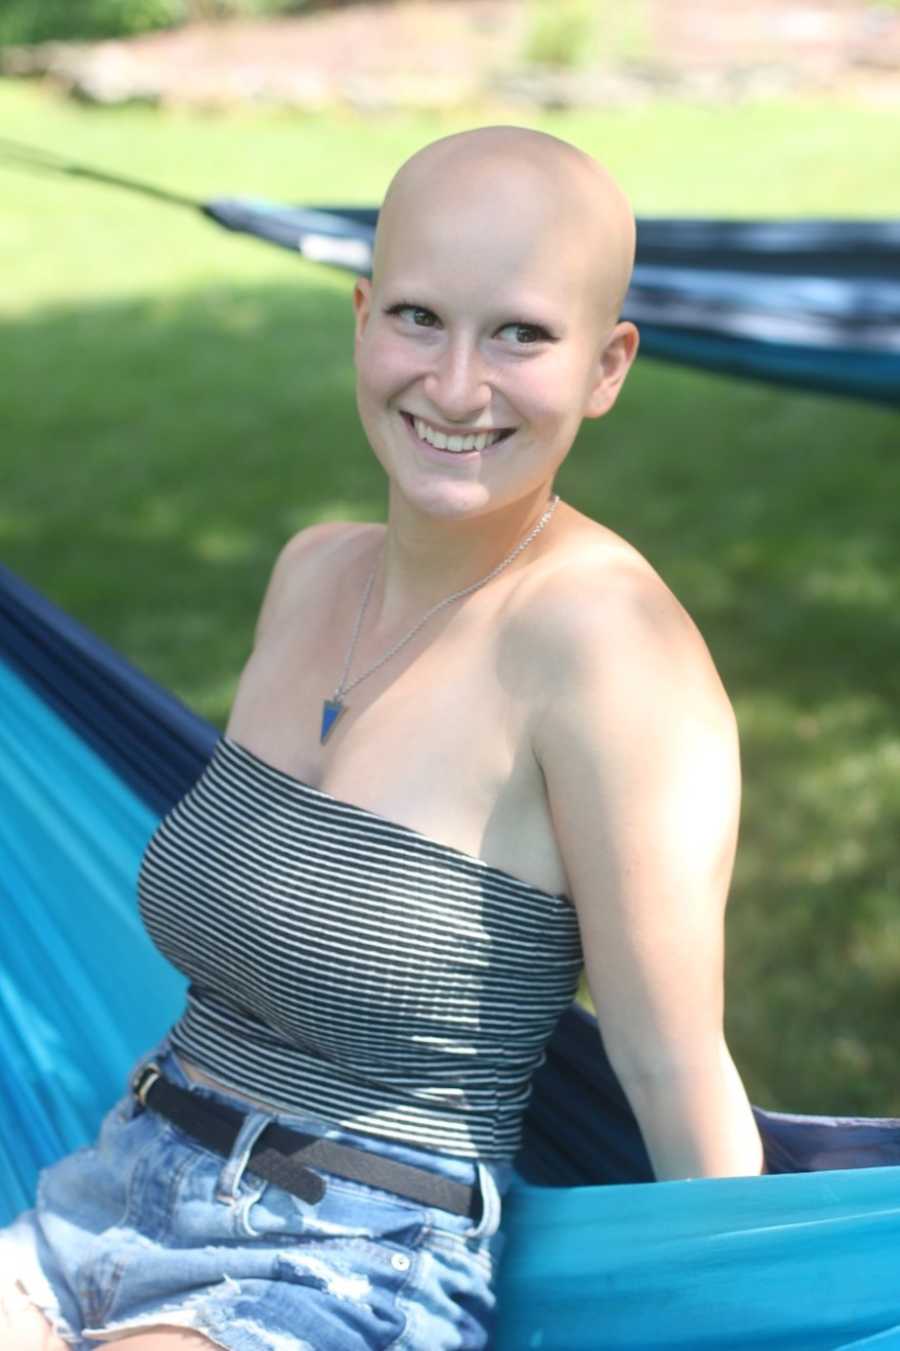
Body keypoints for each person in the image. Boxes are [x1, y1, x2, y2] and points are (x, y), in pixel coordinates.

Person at [0, 125, 763, 1351]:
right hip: (107, 1193)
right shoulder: (312, 576)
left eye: (520, 333)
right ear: (360, 317)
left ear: (610, 363)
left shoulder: (610, 653)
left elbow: (674, 1070)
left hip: (344, 1261)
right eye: (419, 317)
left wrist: (760, 1315)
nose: (457, 386)